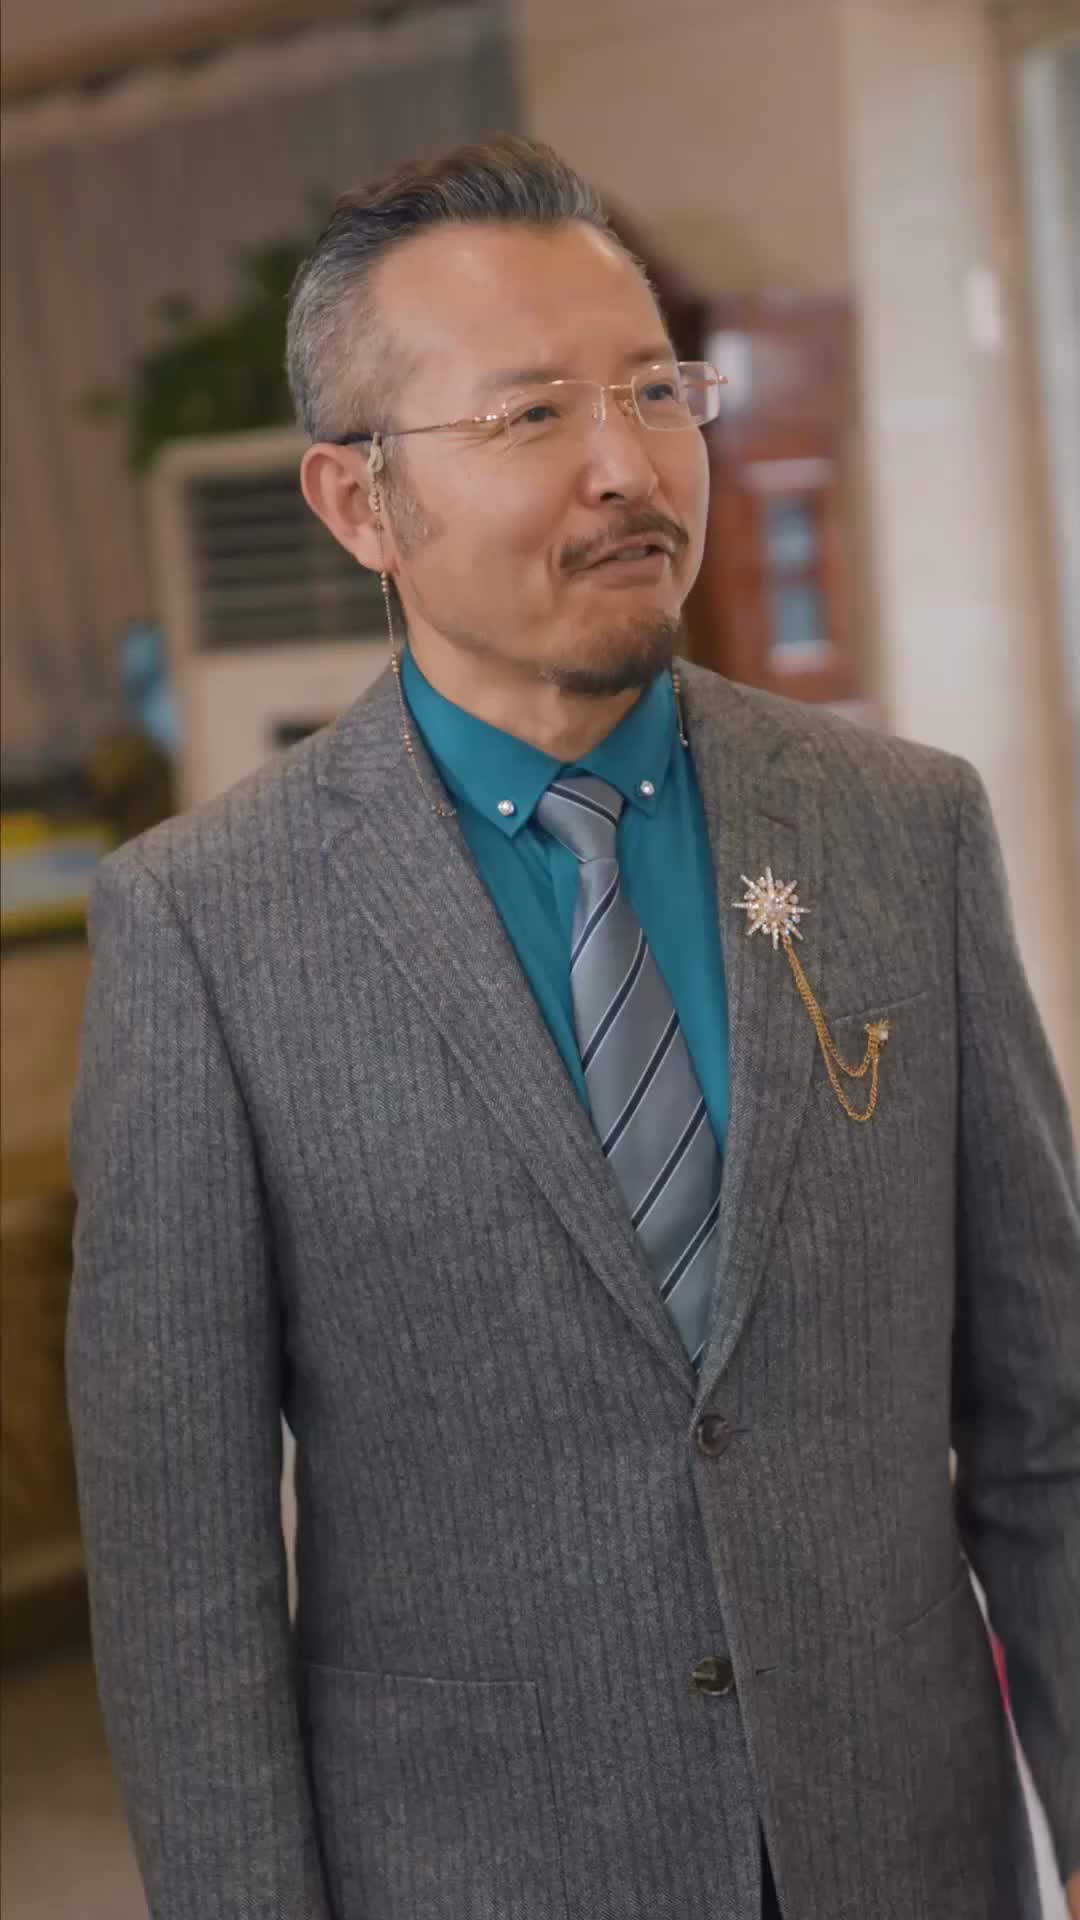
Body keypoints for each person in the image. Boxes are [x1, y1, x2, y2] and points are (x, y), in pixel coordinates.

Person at [66, 135, 1079, 1920]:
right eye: (531, 414)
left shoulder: (899, 829)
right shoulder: (207, 931)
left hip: (906, 1855)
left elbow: (1046, 1427)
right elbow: (183, 1588)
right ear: (360, 504)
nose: (628, 466)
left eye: (655, 392)